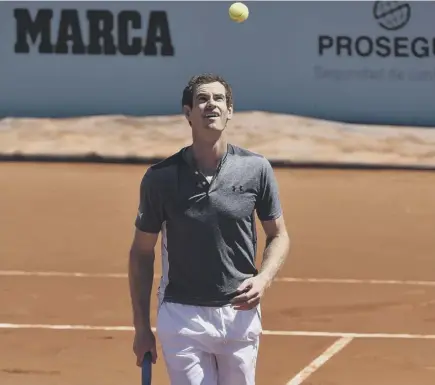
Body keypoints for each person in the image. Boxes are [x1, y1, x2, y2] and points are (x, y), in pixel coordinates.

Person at [128, 73, 290, 385]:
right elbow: (141, 252)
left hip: (239, 314)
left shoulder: (256, 169)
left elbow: (279, 234)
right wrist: (141, 328)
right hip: (182, 315)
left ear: (230, 111)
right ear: (188, 113)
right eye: (202, 99)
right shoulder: (160, 178)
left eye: (218, 99)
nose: (210, 104)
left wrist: (264, 279)